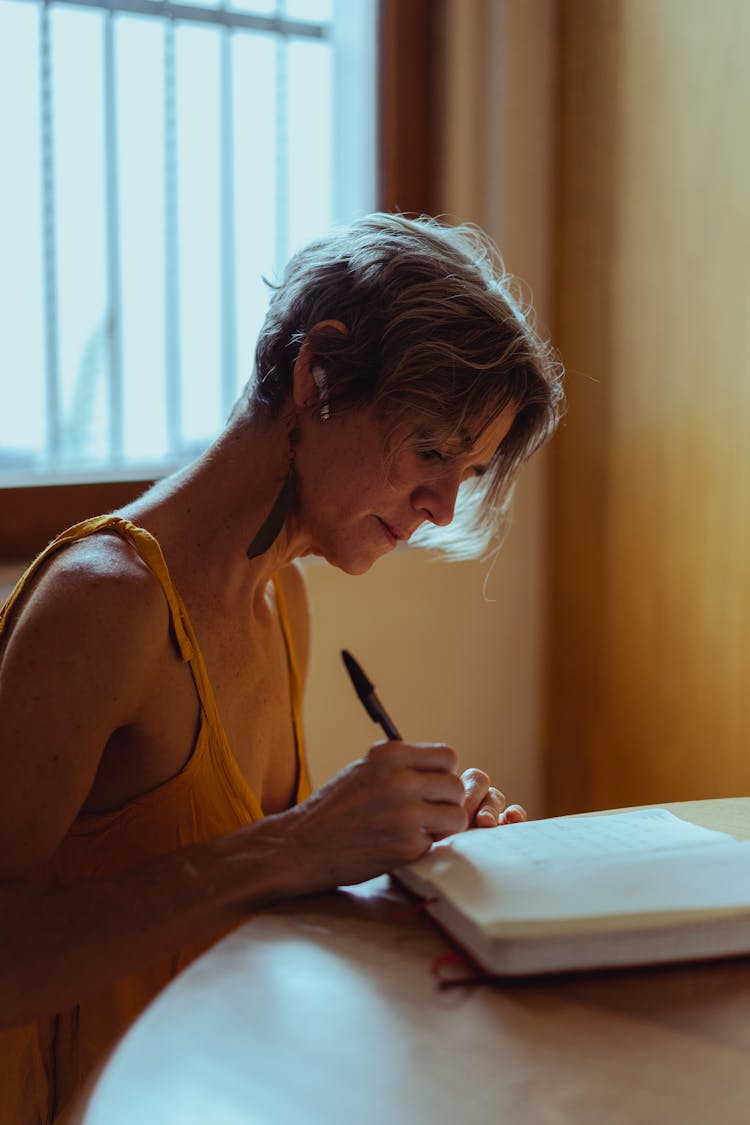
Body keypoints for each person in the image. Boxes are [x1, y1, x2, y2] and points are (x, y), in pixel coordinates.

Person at [0, 213, 563, 1122]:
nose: (441, 504)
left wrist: (404, 855)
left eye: (468, 470)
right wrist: (299, 841)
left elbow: (221, 908)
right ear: (320, 371)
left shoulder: (280, 603)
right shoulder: (105, 604)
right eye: (429, 449)